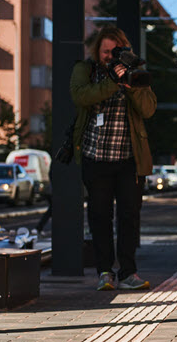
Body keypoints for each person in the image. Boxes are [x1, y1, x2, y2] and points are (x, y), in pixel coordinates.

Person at [70, 25, 157, 291]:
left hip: (129, 159)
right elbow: (81, 96)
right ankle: (105, 272)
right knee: (99, 216)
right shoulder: (86, 70)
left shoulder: (133, 73)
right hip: (95, 157)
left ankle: (129, 272)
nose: (109, 56)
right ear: (97, 51)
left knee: (130, 216)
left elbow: (149, 109)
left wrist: (130, 84)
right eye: (105, 51)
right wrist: (112, 81)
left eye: (114, 51)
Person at [35, 162, 53, 234]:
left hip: (51, 191)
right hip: (53, 192)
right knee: (52, 210)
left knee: (51, 211)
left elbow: (50, 174)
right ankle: (39, 228)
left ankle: (39, 228)